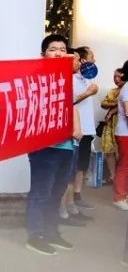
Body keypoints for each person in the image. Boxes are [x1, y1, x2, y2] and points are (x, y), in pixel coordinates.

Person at [25, 35, 83, 256]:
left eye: (62, 49)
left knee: (57, 193)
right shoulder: (38, 78)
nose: (59, 53)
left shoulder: (66, 79)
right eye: (53, 49)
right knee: (41, 192)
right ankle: (35, 235)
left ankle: (50, 232)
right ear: (43, 55)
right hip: (44, 147)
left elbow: (71, 105)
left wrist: (76, 127)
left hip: (66, 146)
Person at [60, 46, 98, 222]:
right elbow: (70, 101)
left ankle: (75, 199)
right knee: (70, 170)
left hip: (87, 129)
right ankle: (66, 208)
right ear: (82, 60)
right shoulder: (71, 79)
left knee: (81, 166)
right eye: (91, 56)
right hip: (76, 131)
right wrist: (88, 93)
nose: (94, 60)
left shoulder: (87, 78)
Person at [100, 69, 124, 185]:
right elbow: (103, 103)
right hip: (110, 124)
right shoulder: (112, 91)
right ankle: (113, 177)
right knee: (109, 151)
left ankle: (122, 179)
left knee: (122, 152)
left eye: (119, 76)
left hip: (122, 123)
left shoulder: (126, 90)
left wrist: (111, 110)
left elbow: (124, 105)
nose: (116, 79)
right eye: (114, 76)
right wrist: (115, 104)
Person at [111, 61, 128, 209]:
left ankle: (124, 195)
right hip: (124, 133)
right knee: (124, 165)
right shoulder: (127, 88)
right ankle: (119, 197)